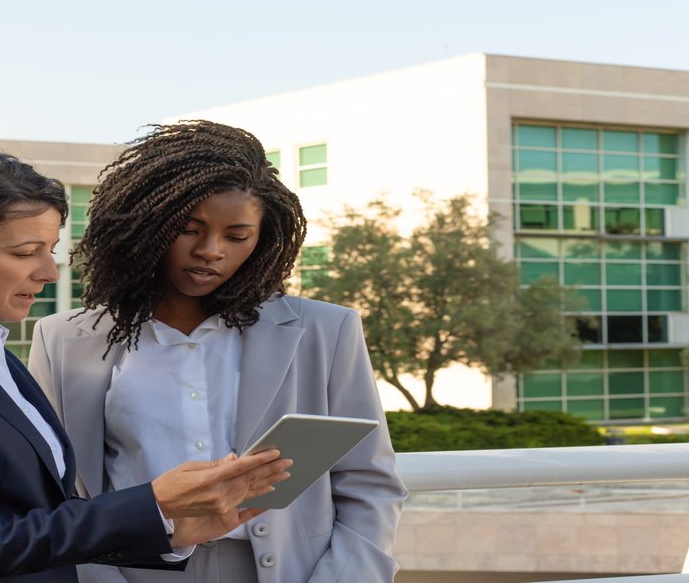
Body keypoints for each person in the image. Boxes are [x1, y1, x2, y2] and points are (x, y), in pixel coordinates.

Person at [0, 139, 292, 583]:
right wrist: (152, 501)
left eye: (50, 250)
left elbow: (44, 521)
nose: (47, 272)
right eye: (26, 252)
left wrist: (174, 529)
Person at [29, 121, 407, 583]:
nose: (211, 251)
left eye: (236, 236)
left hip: (292, 572)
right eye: (190, 229)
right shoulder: (63, 339)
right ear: (147, 225)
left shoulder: (326, 331)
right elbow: (56, 494)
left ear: (262, 239)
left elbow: (369, 484)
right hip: (127, 572)